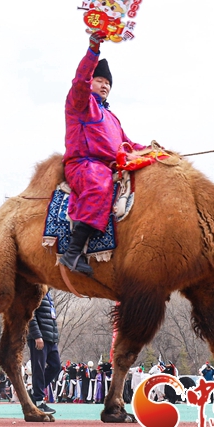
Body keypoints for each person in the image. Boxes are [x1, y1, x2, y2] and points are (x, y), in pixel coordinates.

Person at [60, 32, 146, 276]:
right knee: (100, 183)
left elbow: (128, 145)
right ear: (91, 82)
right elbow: (80, 81)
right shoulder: (80, 102)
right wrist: (93, 49)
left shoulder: (111, 117)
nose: (105, 85)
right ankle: (73, 252)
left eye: (108, 82)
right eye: (99, 80)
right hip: (83, 165)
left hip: (110, 166)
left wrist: (155, 151)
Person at [27, 289, 61, 414]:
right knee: (38, 369)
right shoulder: (36, 291)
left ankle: (35, 393)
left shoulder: (48, 294)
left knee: (56, 366)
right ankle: (39, 401)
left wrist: (54, 337)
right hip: (39, 338)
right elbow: (30, 315)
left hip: (50, 339)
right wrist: (37, 336)